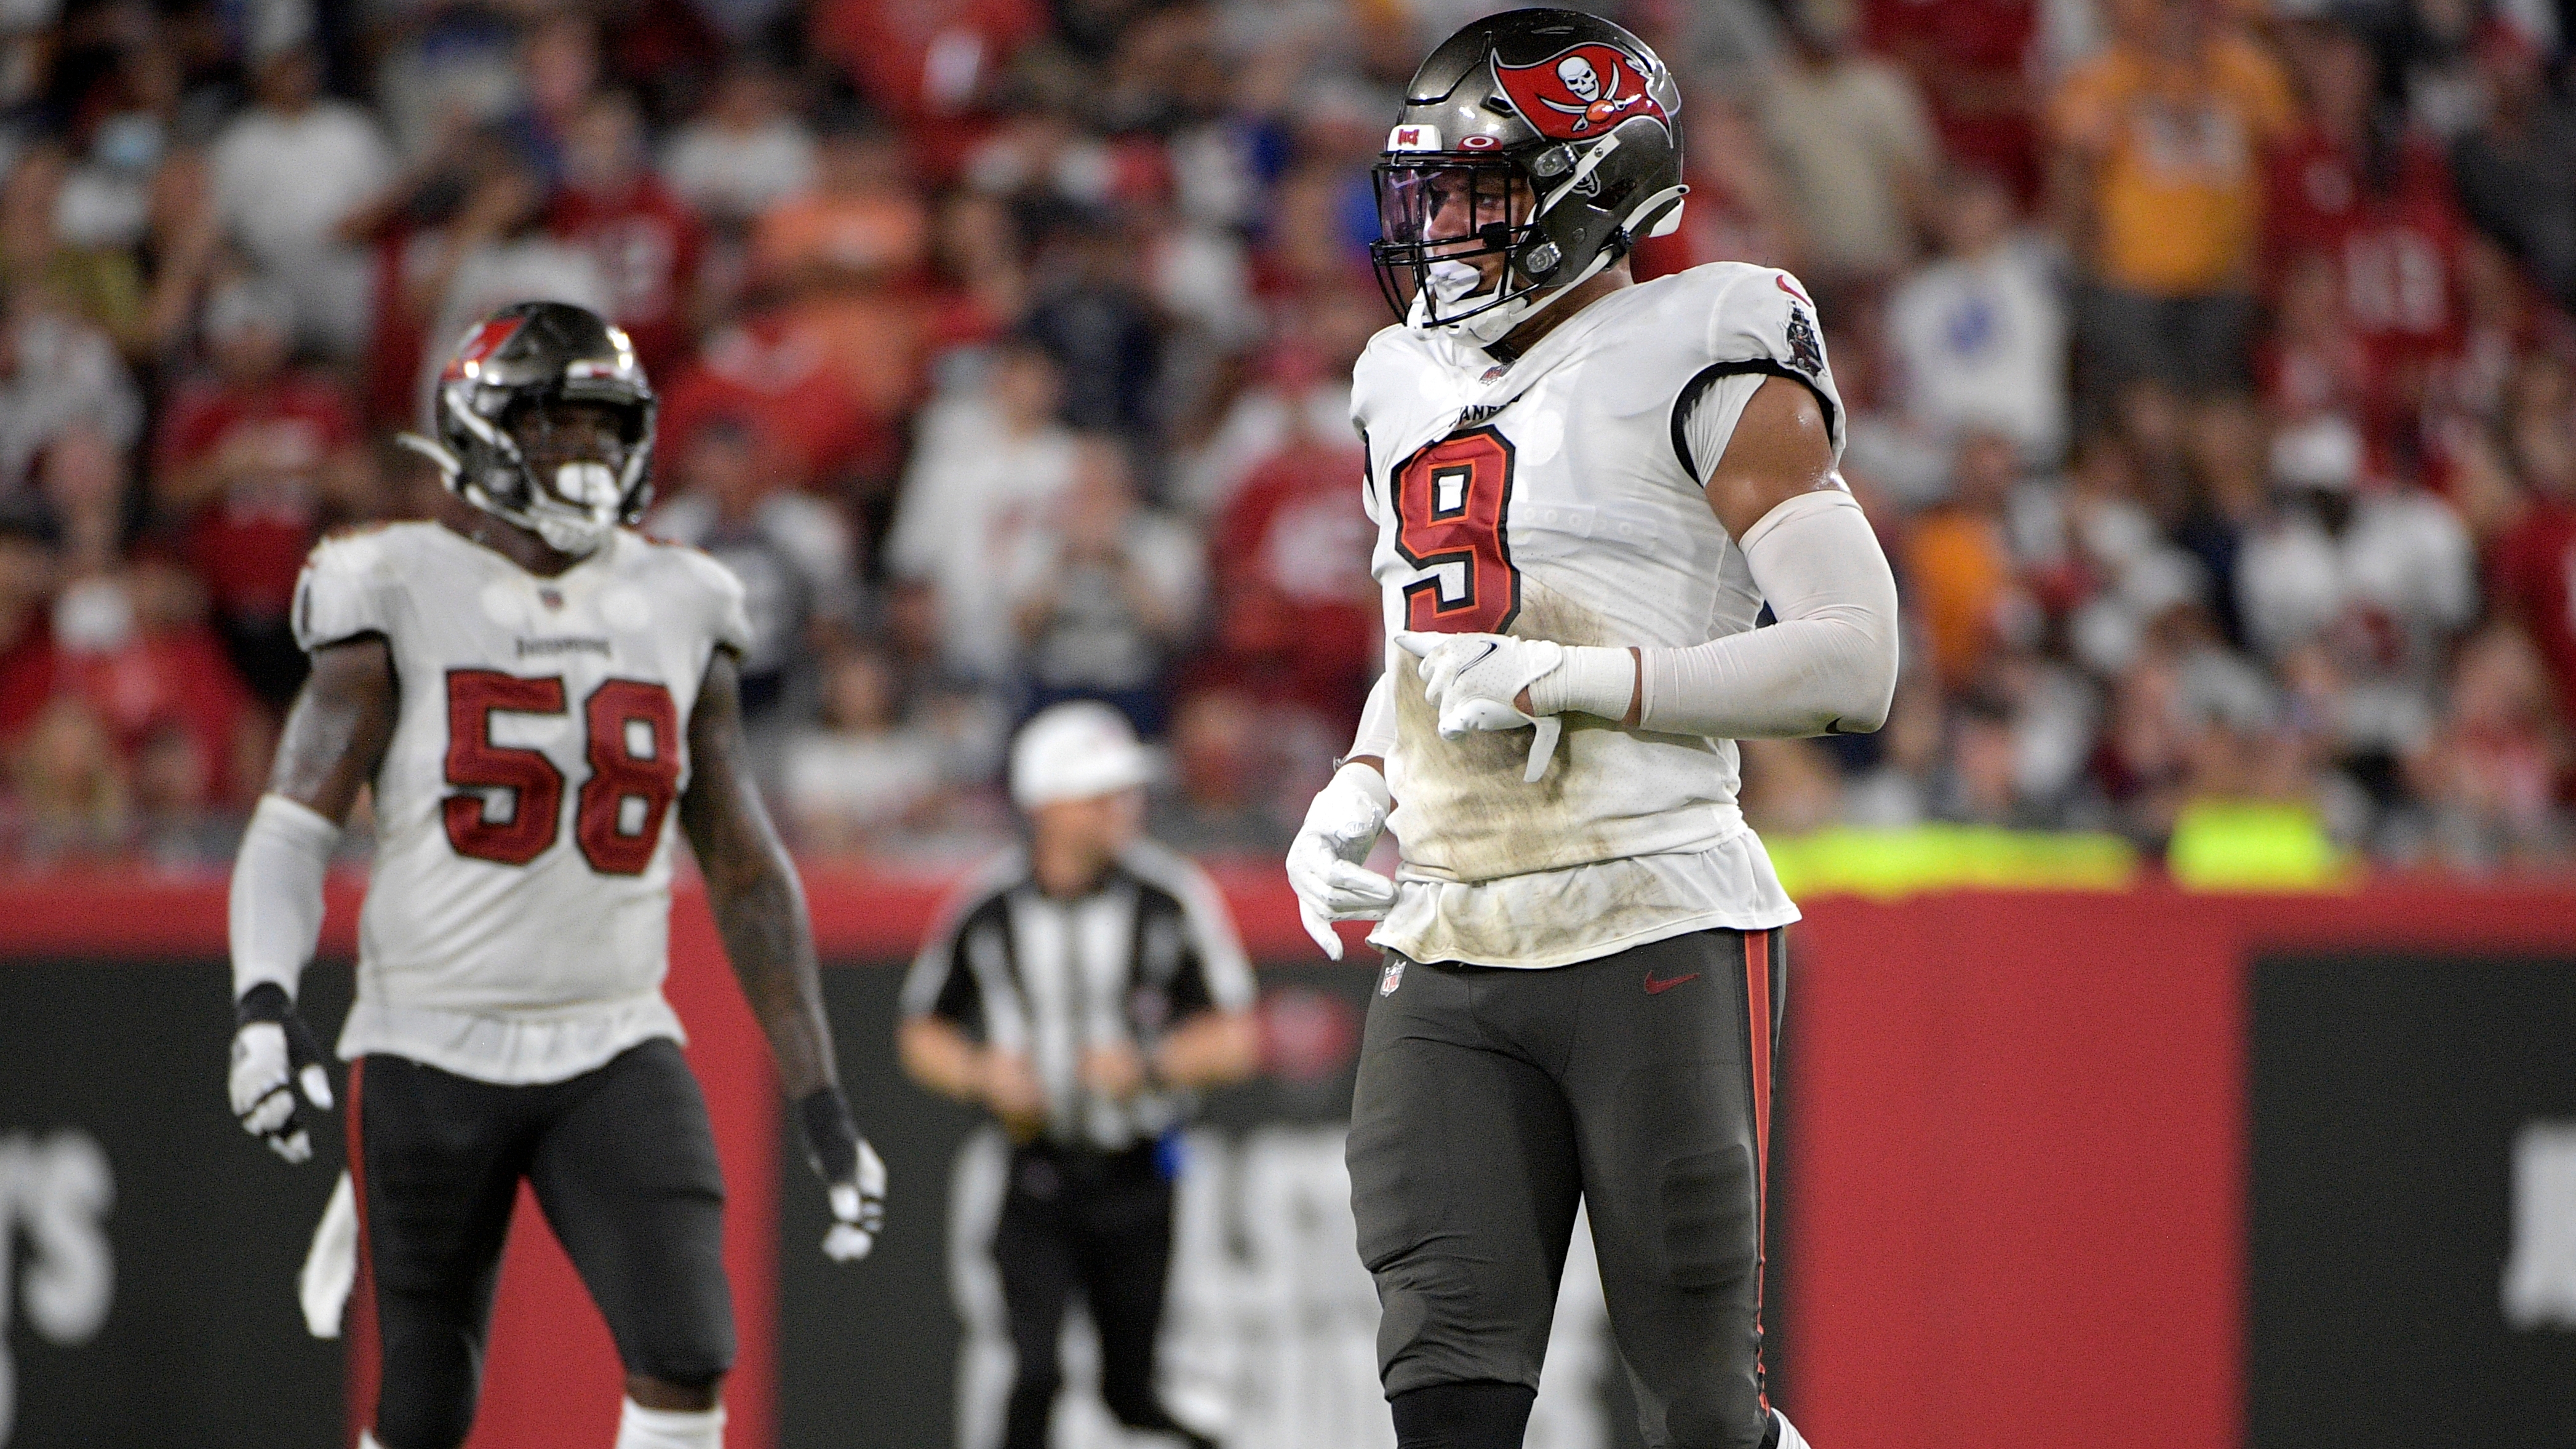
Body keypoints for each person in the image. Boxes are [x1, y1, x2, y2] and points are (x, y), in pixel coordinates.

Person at [1288, 12, 1901, 1449]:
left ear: (1594, 185)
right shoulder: (1397, 384)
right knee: (1442, 1395)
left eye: (1480, 190)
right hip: (1448, 939)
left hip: (1653, 912)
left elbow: (1854, 661)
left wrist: (1581, 683)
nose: (1441, 225)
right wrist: (1360, 782)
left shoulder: (1706, 330)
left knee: (1698, 1407)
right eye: (1429, 190)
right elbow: (1436, 653)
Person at [221, 301, 887, 1449]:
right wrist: (262, 1008)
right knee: (426, 1400)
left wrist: (822, 1101)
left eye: (603, 425)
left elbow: (744, 865)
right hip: (428, 1040)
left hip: (612, 1035)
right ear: (481, 433)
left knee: (687, 1349)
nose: (585, 452)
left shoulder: (685, 599)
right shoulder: (393, 581)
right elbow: (293, 827)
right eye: (555, 424)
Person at [899, 701, 1258, 1449]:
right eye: (1100, 796)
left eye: (1124, 792)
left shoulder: (1169, 898)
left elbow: (1235, 1036)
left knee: (1134, 1390)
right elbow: (921, 1030)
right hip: (1034, 1174)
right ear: (1046, 807)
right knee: (1032, 1374)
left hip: (1139, 1174)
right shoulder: (988, 908)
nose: (1123, 809)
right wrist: (980, 1073)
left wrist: (1149, 1065)